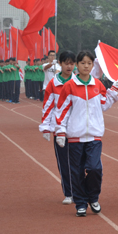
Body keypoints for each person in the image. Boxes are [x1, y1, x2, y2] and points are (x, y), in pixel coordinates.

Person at [55, 50, 118, 217]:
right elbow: (62, 110)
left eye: (89, 63)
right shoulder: (69, 86)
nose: (86, 66)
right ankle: (81, 204)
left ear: (93, 65)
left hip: (94, 136)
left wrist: (113, 91)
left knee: (94, 168)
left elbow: (103, 105)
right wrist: (61, 132)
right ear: (77, 65)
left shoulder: (98, 85)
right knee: (76, 172)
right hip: (75, 137)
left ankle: (93, 197)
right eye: (83, 63)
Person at [39, 51, 76, 205]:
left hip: (76, 127)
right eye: (66, 63)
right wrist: (46, 127)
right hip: (59, 127)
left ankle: (80, 190)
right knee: (63, 161)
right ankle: (68, 193)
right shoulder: (53, 83)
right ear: (59, 63)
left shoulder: (78, 81)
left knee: (79, 161)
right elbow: (48, 106)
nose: (69, 66)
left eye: (72, 63)